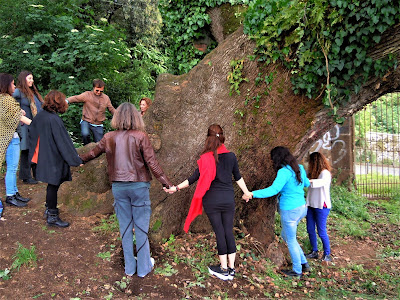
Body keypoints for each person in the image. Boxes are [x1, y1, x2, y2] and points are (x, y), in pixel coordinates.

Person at [80, 102, 172, 278]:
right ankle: (144, 268)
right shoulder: (141, 136)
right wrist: (166, 184)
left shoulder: (108, 137)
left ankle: (130, 267)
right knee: (141, 227)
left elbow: (92, 153)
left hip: (118, 187)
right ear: (135, 117)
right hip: (139, 186)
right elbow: (152, 162)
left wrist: (78, 159)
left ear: (117, 117)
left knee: (125, 227)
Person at [165, 124, 251, 281]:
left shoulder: (205, 158)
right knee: (228, 231)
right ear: (222, 137)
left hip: (212, 201)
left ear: (208, 139)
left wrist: (175, 188)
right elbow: (238, 177)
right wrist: (246, 192)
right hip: (228, 199)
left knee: (219, 232)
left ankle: (223, 269)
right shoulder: (231, 156)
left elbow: (192, 179)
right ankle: (231, 269)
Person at [243, 146, 310, 278]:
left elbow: (273, 190)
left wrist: (252, 194)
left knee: (290, 240)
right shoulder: (299, 168)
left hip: (290, 210)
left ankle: (297, 270)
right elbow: (306, 183)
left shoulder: (284, 172)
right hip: (302, 208)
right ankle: (304, 264)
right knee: (287, 237)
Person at [29, 90, 83, 228]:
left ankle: (49, 209)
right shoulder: (53, 119)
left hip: (41, 156)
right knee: (53, 184)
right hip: (51, 157)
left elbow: (33, 133)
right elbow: (63, 142)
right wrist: (76, 160)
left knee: (53, 184)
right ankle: (52, 215)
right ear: (58, 103)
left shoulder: (41, 116)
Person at [0, 73, 32, 207]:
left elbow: (11, 114)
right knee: (12, 168)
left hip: (8, 138)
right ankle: (10, 196)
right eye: (12, 83)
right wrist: (40, 127)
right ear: (6, 85)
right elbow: (19, 118)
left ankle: (14, 192)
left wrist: (19, 112)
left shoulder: (2, 99)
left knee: (12, 168)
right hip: (11, 138)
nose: (14, 86)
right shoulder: (6, 99)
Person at [13, 70, 43, 184]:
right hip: (24, 126)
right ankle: (26, 176)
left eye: (32, 78)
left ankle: (36, 174)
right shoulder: (18, 92)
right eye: (29, 78)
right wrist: (19, 110)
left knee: (36, 149)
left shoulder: (33, 92)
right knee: (26, 150)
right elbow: (7, 101)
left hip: (35, 125)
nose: (32, 80)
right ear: (23, 79)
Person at [66, 79, 115, 145]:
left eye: (101, 91)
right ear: (93, 88)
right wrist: (66, 101)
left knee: (99, 143)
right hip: (86, 120)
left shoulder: (106, 98)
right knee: (85, 134)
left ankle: (95, 152)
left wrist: (119, 115)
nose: (98, 92)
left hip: (98, 124)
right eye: (97, 90)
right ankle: (87, 147)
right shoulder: (87, 95)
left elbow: (111, 109)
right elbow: (76, 98)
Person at [305, 152, 332, 262]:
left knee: (321, 231)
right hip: (311, 205)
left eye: (310, 162)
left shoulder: (325, 173)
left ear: (315, 162)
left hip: (322, 206)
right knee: (310, 229)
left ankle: (327, 254)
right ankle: (314, 251)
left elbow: (321, 182)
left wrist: (309, 181)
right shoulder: (312, 173)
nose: (309, 164)